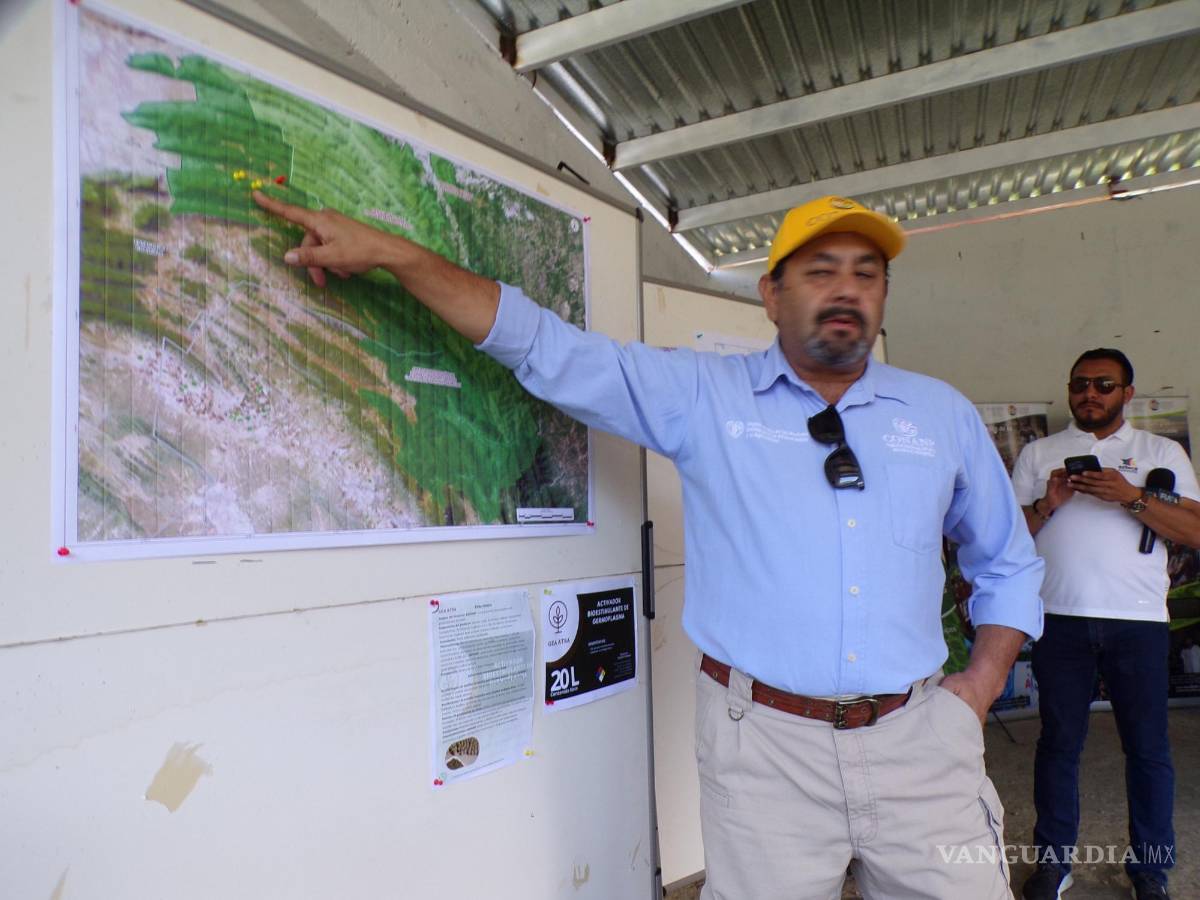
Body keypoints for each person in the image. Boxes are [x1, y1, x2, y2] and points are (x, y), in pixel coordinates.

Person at [253, 190, 1044, 899]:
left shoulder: (940, 415)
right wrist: (395, 253)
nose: (845, 289)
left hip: (921, 744)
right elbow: (546, 350)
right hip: (765, 751)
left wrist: (978, 687)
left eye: (866, 274)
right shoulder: (702, 395)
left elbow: (1006, 560)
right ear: (771, 295)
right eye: (819, 270)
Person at [1011, 349, 1200, 900]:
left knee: (1148, 749)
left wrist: (1132, 497)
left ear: (1127, 393)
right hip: (1059, 621)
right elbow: (1009, 543)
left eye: (1104, 384)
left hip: (1137, 623)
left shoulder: (1159, 451)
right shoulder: (1040, 454)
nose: (1090, 392)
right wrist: (1049, 503)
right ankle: (1053, 864)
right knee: (1058, 744)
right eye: (1080, 383)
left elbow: (1192, 531)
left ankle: (1150, 870)